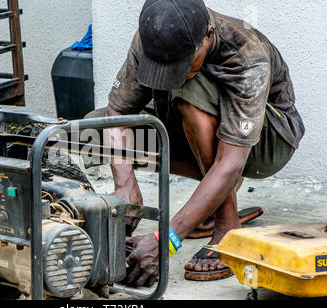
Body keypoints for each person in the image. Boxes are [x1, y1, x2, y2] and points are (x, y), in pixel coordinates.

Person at [89, 0, 305, 286]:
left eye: (181, 64)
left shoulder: (247, 53)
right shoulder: (153, 34)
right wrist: (125, 184)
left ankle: (226, 224)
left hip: (268, 141)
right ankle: (206, 203)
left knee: (190, 88)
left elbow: (230, 161)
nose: (169, 76)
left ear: (209, 35)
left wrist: (166, 240)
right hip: (200, 130)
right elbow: (117, 112)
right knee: (94, 128)